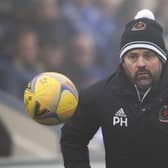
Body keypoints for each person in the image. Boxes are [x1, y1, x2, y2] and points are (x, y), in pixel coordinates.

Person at [60, 9, 168, 167]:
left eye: (148, 55)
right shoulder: (102, 94)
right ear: (123, 61)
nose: (141, 63)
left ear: (162, 58)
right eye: (132, 56)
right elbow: (72, 138)